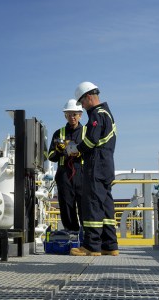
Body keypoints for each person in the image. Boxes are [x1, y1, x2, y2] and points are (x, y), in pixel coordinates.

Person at [67, 81, 119, 257]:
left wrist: (76, 150)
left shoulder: (97, 114)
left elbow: (91, 140)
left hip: (96, 166)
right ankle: (110, 245)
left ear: (89, 97)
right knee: (105, 206)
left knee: (92, 205)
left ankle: (91, 246)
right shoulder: (107, 113)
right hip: (106, 166)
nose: (81, 106)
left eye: (82, 102)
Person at [46, 99, 85, 232]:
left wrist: (78, 152)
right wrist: (60, 150)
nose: (72, 117)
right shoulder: (59, 133)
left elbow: (92, 152)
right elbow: (51, 156)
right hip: (64, 175)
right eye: (69, 114)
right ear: (65, 115)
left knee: (85, 205)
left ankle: (87, 235)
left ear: (80, 114)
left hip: (82, 174)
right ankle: (71, 232)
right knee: (66, 205)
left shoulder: (86, 132)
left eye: (74, 114)